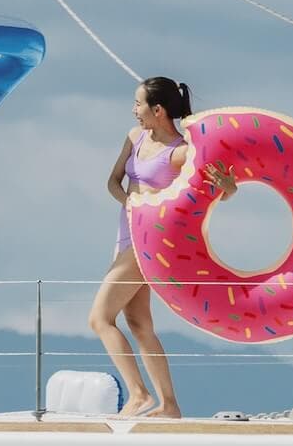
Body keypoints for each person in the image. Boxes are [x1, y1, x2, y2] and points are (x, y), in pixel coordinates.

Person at [90, 76, 235, 417]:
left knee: (99, 318)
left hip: (149, 242)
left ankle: (139, 394)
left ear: (158, 110)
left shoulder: (182, 152)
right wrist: (130, 203)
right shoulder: (135, 136)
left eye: (138, 104)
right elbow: (113, 181)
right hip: (125, 235)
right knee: (139, 323)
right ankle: (170, 405)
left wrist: (229, 187)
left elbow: (224, 190)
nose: (134, 110)